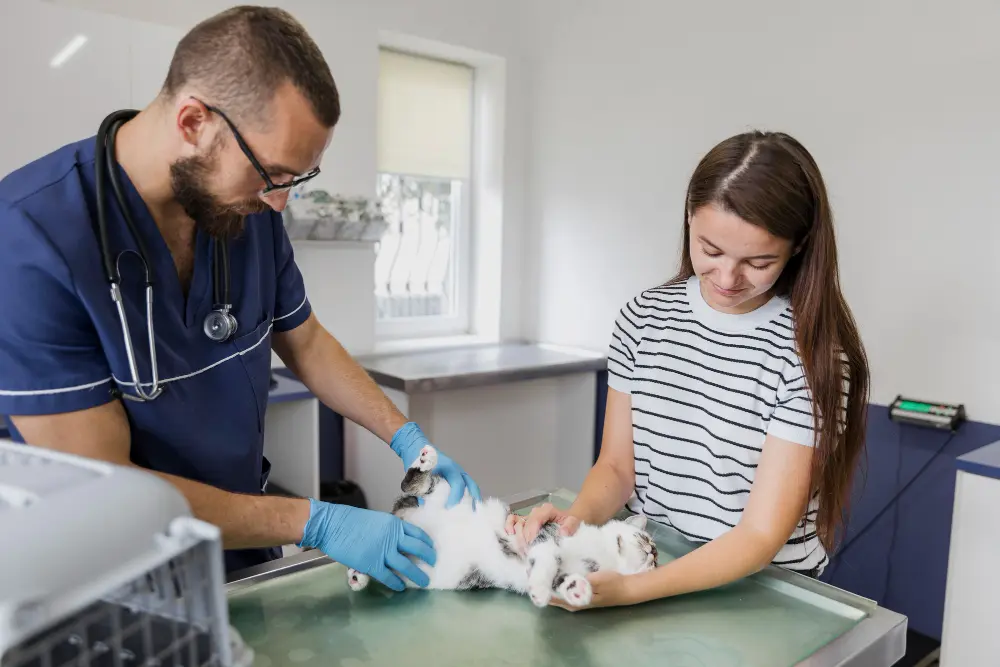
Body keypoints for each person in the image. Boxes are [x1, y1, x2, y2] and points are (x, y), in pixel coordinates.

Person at [0, 6, 480, 591]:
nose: (280, 203)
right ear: (194, 120)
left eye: (295, 181)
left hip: (236, 549)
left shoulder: (243, 209)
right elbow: (104, 485)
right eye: (272, 173)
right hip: (108, 579)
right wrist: (315, 520)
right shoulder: (29, 241)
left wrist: (407, 439)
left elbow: (303, 338)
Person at [508, 130, 870, 610]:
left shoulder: (811, 356)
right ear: (688, 221)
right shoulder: (644, 318)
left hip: (762, 594)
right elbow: (617, 466)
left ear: (798, 246)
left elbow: (761, 535)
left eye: (758, 262)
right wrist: (575, 520)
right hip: (654, 563)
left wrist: (633, 591)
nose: (726, 278)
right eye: (711, 251)